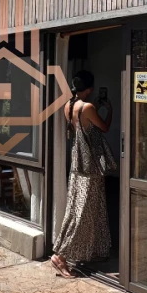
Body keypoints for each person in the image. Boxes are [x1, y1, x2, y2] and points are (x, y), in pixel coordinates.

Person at [51, 70, 115, 278]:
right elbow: (104, 127)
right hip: (90, 166)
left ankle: (94, 250)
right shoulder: (87, 107)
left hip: (78, 164)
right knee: (82, 212)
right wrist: (109, 110)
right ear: (89, 89)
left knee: (88, 208)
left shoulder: (67, 106)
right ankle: (61, 256)